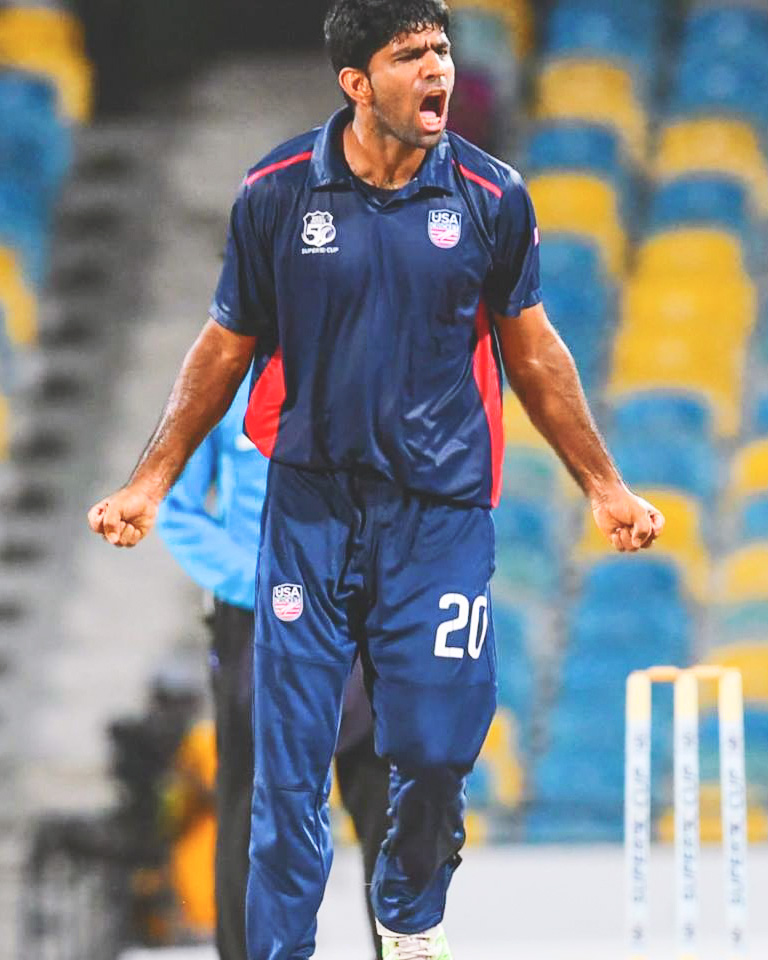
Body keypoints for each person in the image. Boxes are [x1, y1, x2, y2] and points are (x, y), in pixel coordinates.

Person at [88, 1, 665, 957]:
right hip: (310, 513)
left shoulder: (492, 195)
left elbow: (532, 352)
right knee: (284, 775)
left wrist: (603, 484)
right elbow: (224, 347)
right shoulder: (276, 191)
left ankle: (406, 913)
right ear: (356, 82)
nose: (438, 69)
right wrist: (150, 482)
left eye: (442, 50)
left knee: (436, 754)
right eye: (410, 55)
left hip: (438, 520)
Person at [155, 377, 389, 960]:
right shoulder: (217, 380)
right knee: (251, 811)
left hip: (361, 608)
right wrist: (260, 582)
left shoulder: (374, 363)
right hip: (258, 621)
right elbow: (178, 510)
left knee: (389, 808)